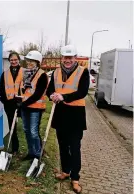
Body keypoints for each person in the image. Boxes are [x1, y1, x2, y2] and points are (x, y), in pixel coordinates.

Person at [46, 45, 89, 194]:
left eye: (70, 57)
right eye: (65, 57)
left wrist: (64, 97)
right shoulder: (56, 72)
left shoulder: (83, 72)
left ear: (75, 58)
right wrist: (51, 95)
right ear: (62, 58)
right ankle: (65, 171)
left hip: (75, 116)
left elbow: (83, 92)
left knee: (75, 148)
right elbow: (49, 89)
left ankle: (75, 178)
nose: (67, 60)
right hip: (60, 114)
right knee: (62, 146)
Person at [19, 50, 48, 160]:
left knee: (33, 132)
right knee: (26, 131)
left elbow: (37, 94)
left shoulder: (42, 75)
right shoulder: (26, 74)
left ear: (37, 62)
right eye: (28, 61)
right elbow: (24, 91)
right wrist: (20, 101)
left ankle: (37, 154)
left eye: (32, 61)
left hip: (36, 108)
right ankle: (31, 152)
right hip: (25, 107)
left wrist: (24, 104)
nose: (29, 63)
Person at [0, 51, 23, 155]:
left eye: (15, 60)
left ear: (19, 60)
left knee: (29, 128)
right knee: (12, 126)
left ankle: (35, 150)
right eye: (11, 60)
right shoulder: (5, 73)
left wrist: (21, 100)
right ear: (9, 61)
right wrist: (5, 100)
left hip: (22, 103)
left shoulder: (25, 72)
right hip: (9, 104)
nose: (13, 61)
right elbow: (1, 89)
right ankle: (15, 148)